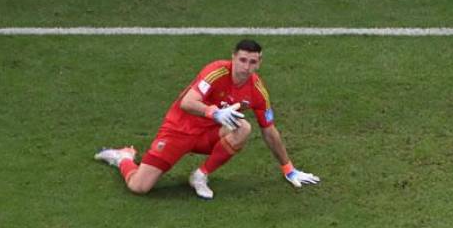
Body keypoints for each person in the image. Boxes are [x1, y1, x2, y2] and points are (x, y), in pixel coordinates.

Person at [94, 39, 320, 200]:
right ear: (233, 58)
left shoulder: (257, 90)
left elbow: (269, 130)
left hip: (208, 136)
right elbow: (187, 102)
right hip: (178, 131)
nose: (246, 67)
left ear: (259, 63)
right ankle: (123, 157)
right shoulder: (216, 71)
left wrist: (288, 168)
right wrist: (215, 112)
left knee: (243, 128)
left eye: (252, 62)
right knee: (139, 187)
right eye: (242, 60)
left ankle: (200, 176)